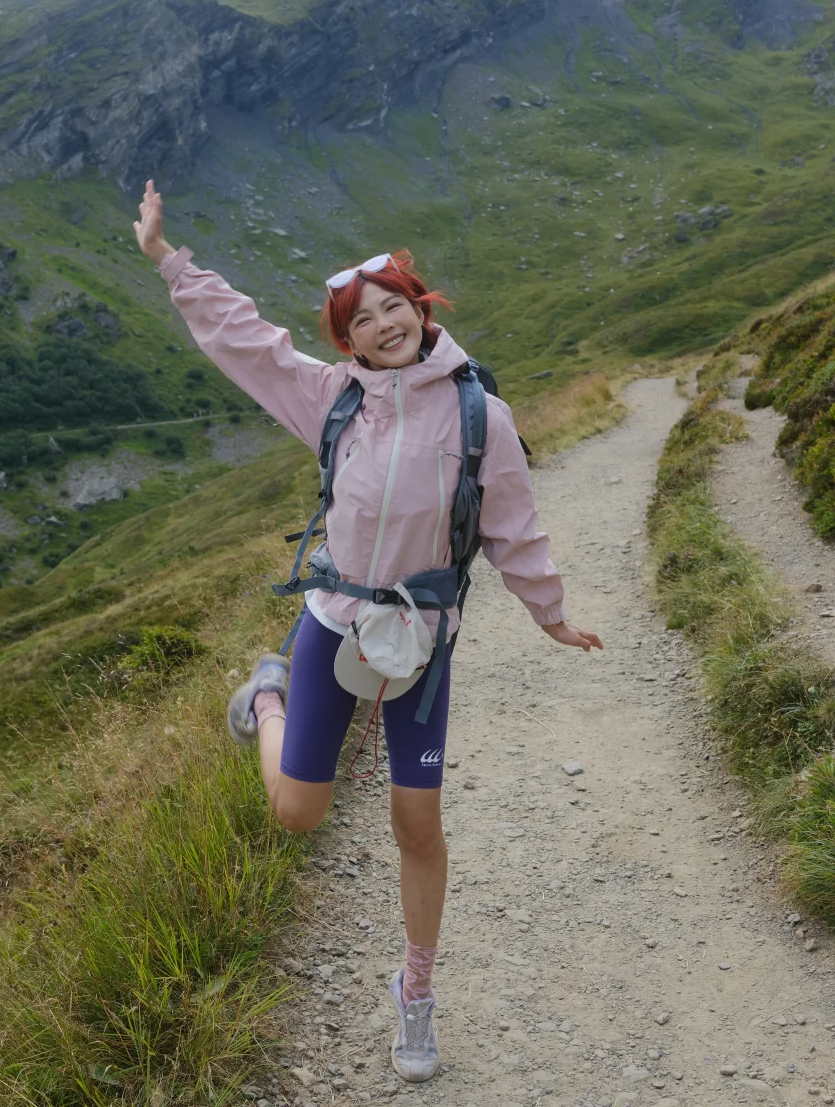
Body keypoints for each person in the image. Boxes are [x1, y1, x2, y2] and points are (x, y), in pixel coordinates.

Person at [134, 180, 601, 1083]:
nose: (385, 325)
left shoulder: (481, 416)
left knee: (417, 823)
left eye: (395, 306)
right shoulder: (332, 399)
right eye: (363, 320)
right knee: (296, 814)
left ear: (423, 309)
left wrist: (552, 616)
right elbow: (245, 339)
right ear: (346, 341)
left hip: (423, 643)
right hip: (332, 624)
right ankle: (268, 697)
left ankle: (416, 993)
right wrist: (166, 259)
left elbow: (514, 525)